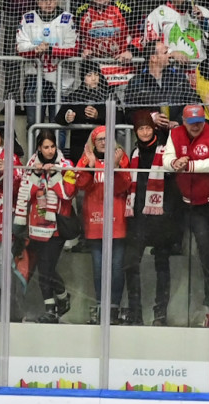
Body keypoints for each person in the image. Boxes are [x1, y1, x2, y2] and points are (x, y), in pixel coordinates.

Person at [161, 105, 209, 327]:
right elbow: (166, 158)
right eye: (192, 122)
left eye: (199, 121)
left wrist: (190, 165)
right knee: (195, 250)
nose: (196, 125)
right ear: (184, 121)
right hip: (187, 203)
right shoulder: (175, 134)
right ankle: (204, 305)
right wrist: (174, 163)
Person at [115, 111, 178, 326]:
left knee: (162, 265)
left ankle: (160, 313)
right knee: (131, 264)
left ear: (153, 129)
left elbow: (172, 186)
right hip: (137, 218)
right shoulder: (133, 152)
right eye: (140, 129)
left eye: (147, 128)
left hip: (162, 219)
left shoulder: (166, 150)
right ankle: (135, 313)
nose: (144, 132)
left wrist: (168, 216)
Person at [19, 133, 76, 323]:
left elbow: (67, 194)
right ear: (39, 149)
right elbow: (27, 195)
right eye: (46, 147)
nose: (50, 151)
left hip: (57, 227)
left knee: (46, 268)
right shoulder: (31, 166)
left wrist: (54, 174)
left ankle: (57, 303)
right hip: (36, 225)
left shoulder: (66, 165)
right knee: (44, 268)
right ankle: (56, 304)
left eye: (52, 147)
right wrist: (36, 174)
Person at [69, 127, 124, 324]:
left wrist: (116, 168)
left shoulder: (120, 156)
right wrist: (91, 166)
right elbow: (81, 186)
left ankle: (114, 309)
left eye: (107, 139)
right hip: (93, 222)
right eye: (100, 139)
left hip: (116, 222)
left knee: (116, 268)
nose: (103, 142)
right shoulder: (86, 158)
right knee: (99, 268)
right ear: (94, 141)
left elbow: (123, 188)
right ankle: (101, 307)